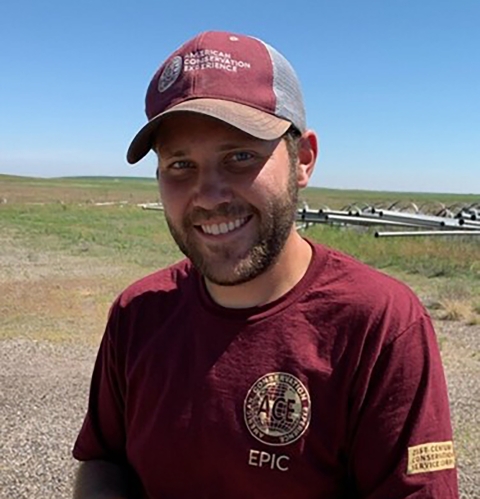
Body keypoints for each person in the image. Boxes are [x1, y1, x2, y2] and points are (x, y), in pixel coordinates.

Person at [72, 31, 459, 498]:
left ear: (304, 160)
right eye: (180, 165)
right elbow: (104, 458)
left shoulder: (378, 324)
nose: (209, 195)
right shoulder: (138, 313)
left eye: (239, 156)